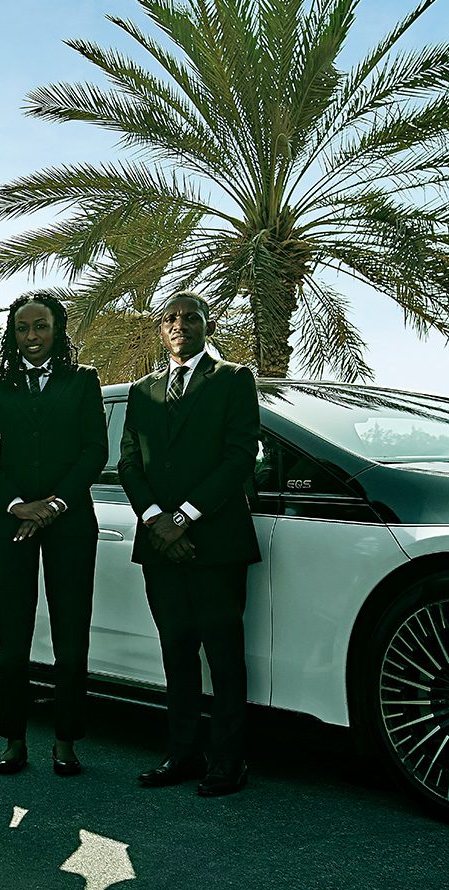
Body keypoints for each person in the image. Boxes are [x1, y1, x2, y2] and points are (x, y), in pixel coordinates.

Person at [118, 290, 261, 796]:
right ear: (161, 329)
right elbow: (129, 463)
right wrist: (158, 521)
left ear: (208, 324)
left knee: (224, 657)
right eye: (171, 319)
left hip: (216, 544)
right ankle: (181, 754)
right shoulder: (142, 391)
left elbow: (240, 456)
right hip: (159, 545)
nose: (181, 324)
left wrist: (183, 517)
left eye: (191, 317)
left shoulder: (233, 380)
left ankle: (228, 761)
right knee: (176, 653)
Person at [0, 293, 108, 776]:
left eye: (40, 327)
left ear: (58, 329)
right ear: (12, 332)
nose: (31, 336)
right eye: (22, 328)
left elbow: (95, 451)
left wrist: (53, 505)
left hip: (69, 522)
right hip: (9, 524)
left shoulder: (84, 380)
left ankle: (66, 741)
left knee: (71, 634)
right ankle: (13, 739)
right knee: (13, 634)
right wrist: (17, 505)